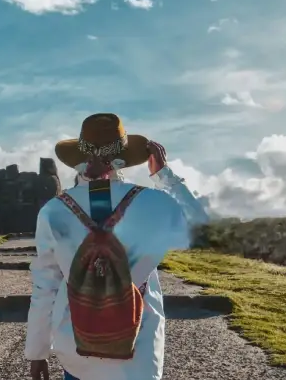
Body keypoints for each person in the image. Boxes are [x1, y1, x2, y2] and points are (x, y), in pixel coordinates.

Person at [25, 113, 211, 380]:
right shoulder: (153, 203)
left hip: (78, 351)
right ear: (124, 157)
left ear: (79, 157)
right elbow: (202, 228)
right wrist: (163, 175)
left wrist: (37, 352)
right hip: (140, 353)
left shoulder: (54, 211)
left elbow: (45, 287)